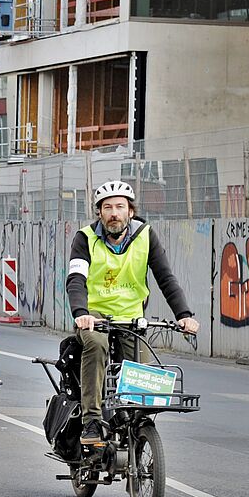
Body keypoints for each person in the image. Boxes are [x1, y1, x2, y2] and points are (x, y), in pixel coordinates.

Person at [66, 180, 199, 445]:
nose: (114, 212)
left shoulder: (145, 236)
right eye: (107, 207)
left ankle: (134, 427)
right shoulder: (85, 238)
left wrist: (184, 314)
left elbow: (166, 278)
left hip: (132, 317)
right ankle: (91, 420)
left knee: (140, 373)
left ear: (130, 210)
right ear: (99, 212)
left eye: (119, 206)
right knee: (95, 345)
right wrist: (81, 312)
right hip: (95, 317)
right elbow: (76, 280)